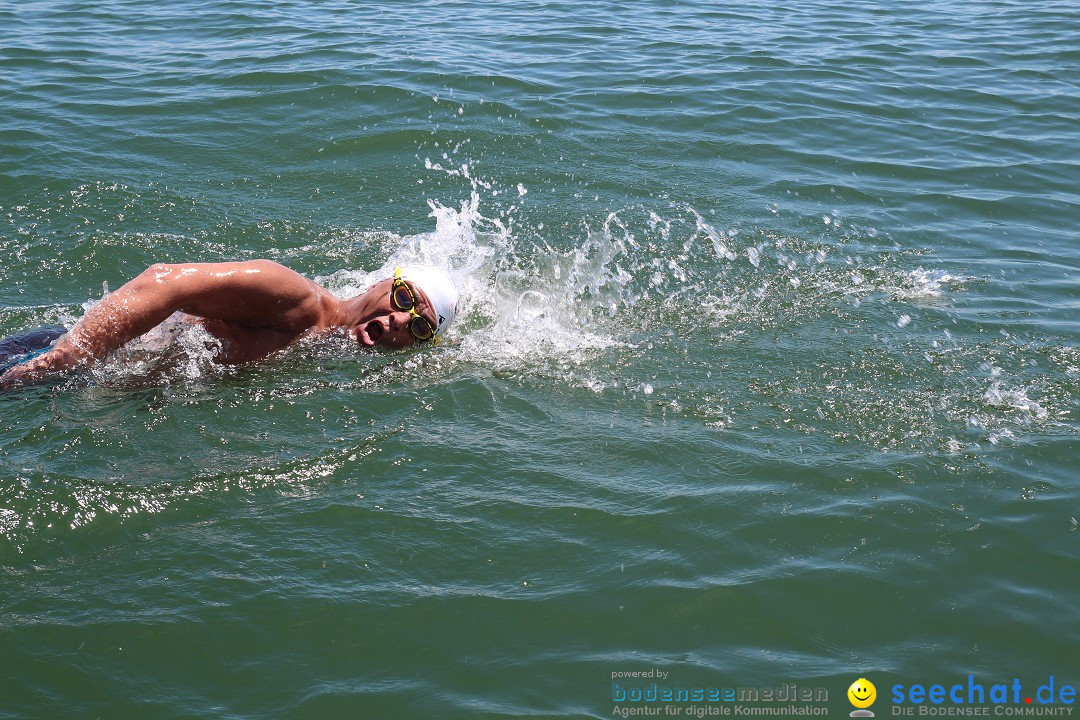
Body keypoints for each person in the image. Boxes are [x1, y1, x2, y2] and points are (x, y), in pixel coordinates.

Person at [0, 259, 459, 390]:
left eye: (419, 327)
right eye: (403, 299)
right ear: (384, 281)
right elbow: (164, 282)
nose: (399, 321)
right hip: (58, 364)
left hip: (89, 385)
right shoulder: (298, 301)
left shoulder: (328, 349)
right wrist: (58, 360)